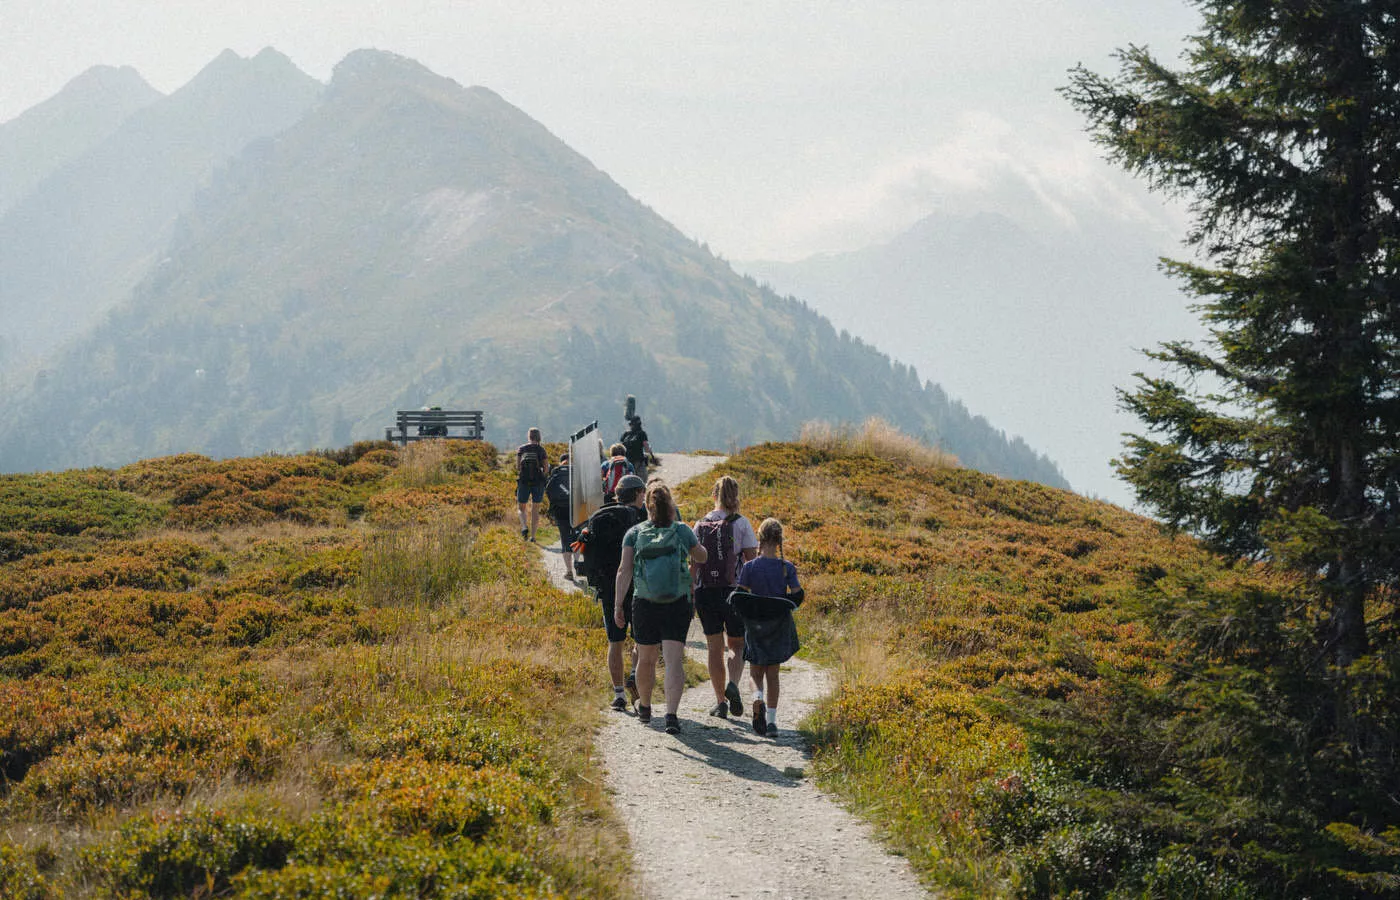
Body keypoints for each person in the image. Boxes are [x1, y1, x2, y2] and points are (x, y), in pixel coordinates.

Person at [614, 480, 707, 734]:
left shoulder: (634, 533)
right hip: (677, 603)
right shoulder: (681, 530)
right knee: (674, 660)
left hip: (644, 602)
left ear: (647, 506)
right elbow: (702, 556)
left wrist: (618, 605)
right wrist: (694, 550)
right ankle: (671, 715)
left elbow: (624, 571)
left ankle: (645, 707)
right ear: (671, 506)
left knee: (646, 659)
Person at [576, 474, 648, 710]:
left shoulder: (599, 516)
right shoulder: (641, 518)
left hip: (608, 587)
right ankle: (635, 675)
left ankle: (619, 695)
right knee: (641, 640)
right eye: (643, 493)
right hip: (638, 587)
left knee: (614, 642)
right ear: (638, 494)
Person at [692, 475, 759, 719]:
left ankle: (720, 701)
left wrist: (690, 593)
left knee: (713, 647)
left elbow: (694, 564)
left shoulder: (700, 524)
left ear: (714, 496)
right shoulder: (742, 523)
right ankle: (733, 683)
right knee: (736, 644)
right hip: (734, 592)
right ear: (736, 496)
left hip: (705, 592)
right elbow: (752, 560)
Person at [734, 518, 804, 737]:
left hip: (755, 624)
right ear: (779, 540)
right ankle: (772, 722)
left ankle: (757, 699)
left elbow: (741, 595)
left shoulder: (749, 567)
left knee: (755, 673)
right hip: (778, 624)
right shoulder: (786, 568)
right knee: (773, 675)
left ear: (760, 539)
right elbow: (798, 594)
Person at [544, 451, 576, 580]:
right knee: (578, 537)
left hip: (560, 510)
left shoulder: (557, 472)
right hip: (575, 509)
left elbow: (548, 490)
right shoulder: (576, 472)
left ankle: (569, 571)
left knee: (565, 539)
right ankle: (578, 565)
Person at [515, 427, 549, 541]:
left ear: (529, 436)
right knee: (535, 509)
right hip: (538, 482)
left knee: (521, 508)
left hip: (524, 481)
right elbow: (546, 469)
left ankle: (524, 527)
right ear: (539, 437)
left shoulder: (522, 449)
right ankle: (533, 537)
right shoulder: (541, 450)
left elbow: (518, 467)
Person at [620, 416, 657, 482]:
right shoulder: (642, 433)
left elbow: (621, 446)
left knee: (628, 481)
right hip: (638, 461)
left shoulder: (626, 434)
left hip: (626, 462)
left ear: (631, 425)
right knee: (642, 480)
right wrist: (650, 450)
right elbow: (646, 449)